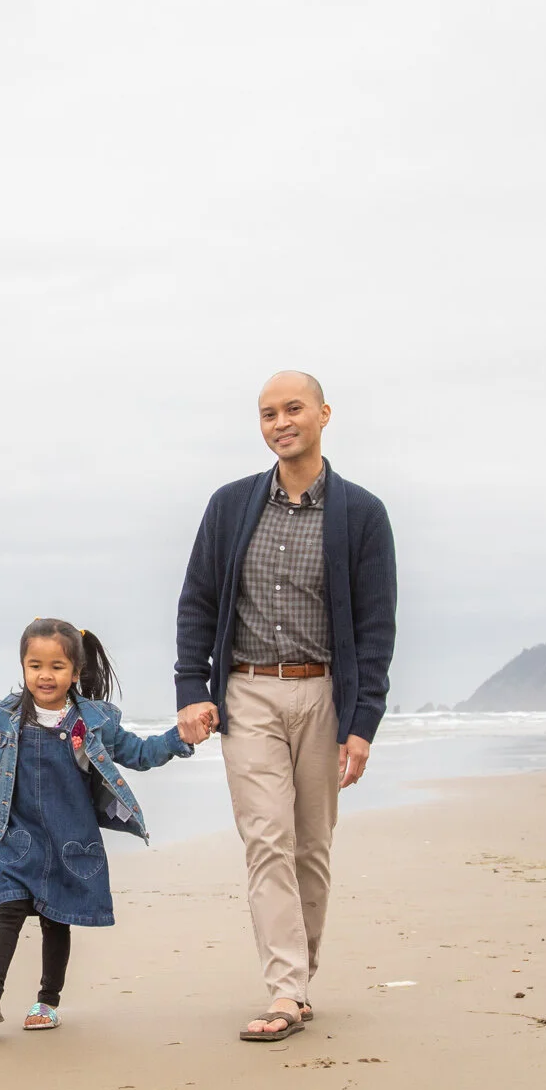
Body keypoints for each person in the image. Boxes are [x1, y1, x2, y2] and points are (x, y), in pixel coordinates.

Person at [173, 371, 397, 1042]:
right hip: (247, 693)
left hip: (324, 692)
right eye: (268, 413)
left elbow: (377, 627)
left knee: (310, 846)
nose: (280, 421)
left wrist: (363, 724)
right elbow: (198, 602)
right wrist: (192, 688)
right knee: (266, 837)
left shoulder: (361, 514)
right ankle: (285, 988)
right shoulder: (230, 505)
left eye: (293, 408)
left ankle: (300, 975)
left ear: (324, 414)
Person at [0, 618, 201, 1031]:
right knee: (7, 908)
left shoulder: (92, 723)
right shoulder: (6, 717)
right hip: (20, 836)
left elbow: (140, 753)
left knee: (55, 917)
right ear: (23, 667)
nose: (45, 675)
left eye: (57, 666)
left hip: (70, 839)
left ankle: (46, 1002)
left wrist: (178, 739)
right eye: (35, 665)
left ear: (75, 672)